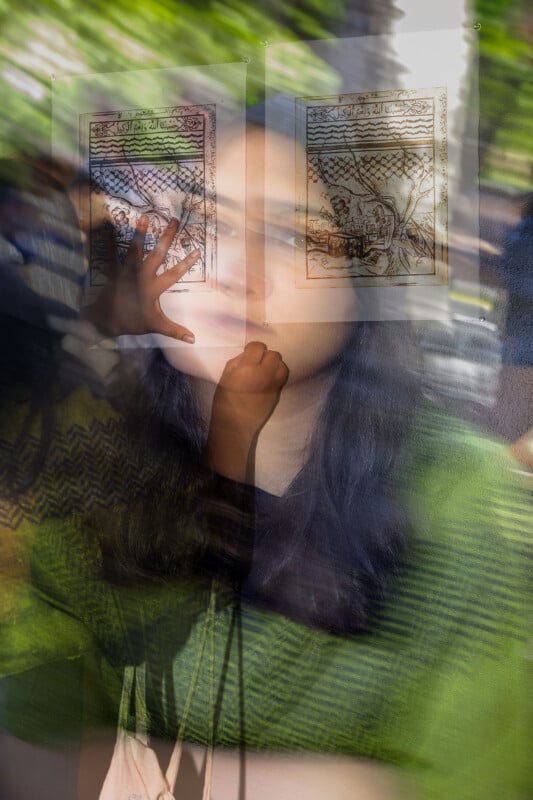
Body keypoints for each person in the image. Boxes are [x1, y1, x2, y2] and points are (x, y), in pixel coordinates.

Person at [1, 124, 531, 800]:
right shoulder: (92, 466)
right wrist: (347, 789)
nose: (231, 268)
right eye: (203, 221)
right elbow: (31, 754)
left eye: (292, 236)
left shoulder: (462, 493)